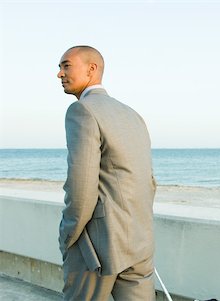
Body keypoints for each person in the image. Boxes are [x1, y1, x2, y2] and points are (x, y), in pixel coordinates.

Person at [57, 45, 157, 300]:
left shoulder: (82, 111)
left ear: (92, 69)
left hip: (97, 248)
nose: (59, 74)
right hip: (139, 240)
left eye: (66, 65)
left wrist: (68, 236)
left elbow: (81, 188)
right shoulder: (133, 115)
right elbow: (148, 181)